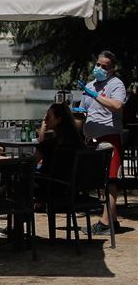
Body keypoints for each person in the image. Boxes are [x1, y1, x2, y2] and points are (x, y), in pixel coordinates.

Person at [78, 50, 126, 234]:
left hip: (109, 139)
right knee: (100, 181)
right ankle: (113, 221)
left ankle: (105, 224)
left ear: (112, 69)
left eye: (104, 66)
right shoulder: (90, 85)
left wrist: (95, 95)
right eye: (98, 64)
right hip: (92, 140)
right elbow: (85, 111)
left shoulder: (116, 84)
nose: (99, 68)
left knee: (110, 180)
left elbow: (117, 105)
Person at [35, 102, 85, 180]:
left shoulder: (47, 145)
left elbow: (31, 165)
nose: (45, 119)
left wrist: (43, 127)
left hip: (49, 183)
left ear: (58, 120)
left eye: (48, 117)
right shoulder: (79, 143)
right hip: (72, 185)